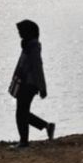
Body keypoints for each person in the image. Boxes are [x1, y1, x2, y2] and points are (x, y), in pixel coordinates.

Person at [9, 19, 55, 149]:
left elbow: (37, 67)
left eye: (21, 31)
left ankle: (24, 142)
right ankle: (46, 126)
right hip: (26, 83)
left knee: (21, 113)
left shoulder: (33, 46)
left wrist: (42, 87)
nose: (19, 34)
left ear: (28, 32)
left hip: (29, 84)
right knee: (22, 112)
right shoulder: (28, 45)